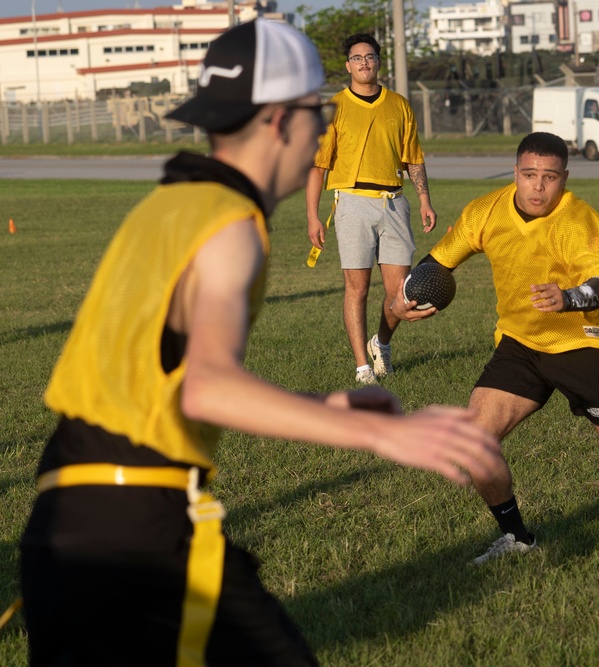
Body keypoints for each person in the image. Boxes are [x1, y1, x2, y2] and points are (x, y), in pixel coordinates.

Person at [18, 20, 502, 666]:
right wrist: (378, 435)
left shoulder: (169, 205)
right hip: (136, 528)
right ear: (279, 121)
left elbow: (165, 371)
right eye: (316, 114)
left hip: (64, 517)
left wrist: (323, 406)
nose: (321, 131)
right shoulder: (231, 226)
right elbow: (204, 381)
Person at [391, 132, 599, 564]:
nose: (538, 187)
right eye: (529, 175)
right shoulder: (487, 210)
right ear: (515, 174)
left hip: (577, 348)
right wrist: (404, 295)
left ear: (564, 178)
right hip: (520, 346)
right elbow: (440, 261)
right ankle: (518, 538)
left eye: (549, 177)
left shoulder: (579, 221)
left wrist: (568, 298)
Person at [305, 33, 436, 386]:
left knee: (399, 295)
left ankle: (382, 343)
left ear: (379, 62)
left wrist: (424, 199)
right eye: (357, 57)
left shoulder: (399, 105)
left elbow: (414, 158)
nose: (364, 62)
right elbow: (318, 167)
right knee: (357, 288)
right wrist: (312, 216)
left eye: (370, 56)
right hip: (352, 203)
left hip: (394, 202)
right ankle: (363, 366)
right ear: (348, 65)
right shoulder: (335, 108)